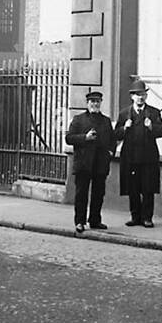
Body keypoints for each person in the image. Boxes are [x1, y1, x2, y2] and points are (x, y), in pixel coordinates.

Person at [115, 85, 162, 228]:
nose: (140, 97)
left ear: (146, 96)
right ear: (132, 96)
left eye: (143, 94)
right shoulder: (124, 113)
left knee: (148, 188)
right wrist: (124, 127)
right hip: (130, 156)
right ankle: (135, 217)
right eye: (137, 94)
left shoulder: (153, 112)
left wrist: (152, 127)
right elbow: (116, 134)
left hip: (148, 157)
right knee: (133, 188)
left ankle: (147, 218)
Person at [64, 90, 116, 233]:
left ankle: (95, 220)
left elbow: (112, 140)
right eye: (92, 102)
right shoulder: (78, 119)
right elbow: (69, 138)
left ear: (101, 103)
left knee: (98, 194)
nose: (95, 104)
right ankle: (80, 221)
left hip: (100, 164)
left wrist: (111, 153)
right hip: (83, 163)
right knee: (81, 194)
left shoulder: (105, 121)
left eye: (97, 102)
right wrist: (84, 137)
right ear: (87, 104)